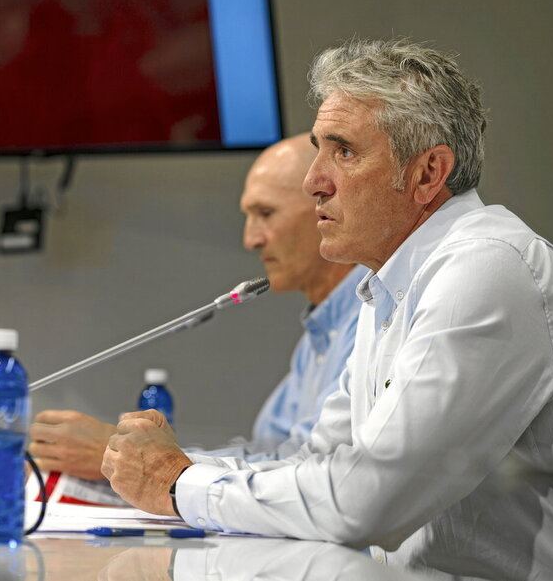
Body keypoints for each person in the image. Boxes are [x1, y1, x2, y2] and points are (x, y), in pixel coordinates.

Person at [100, 39, 553, 581]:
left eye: (344, 151)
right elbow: (317, 466)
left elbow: (366, 502)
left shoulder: (487, 267)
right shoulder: (388, 286)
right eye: (319, 149)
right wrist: (178, 470)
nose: (313, 182)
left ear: (428, 173)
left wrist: (178, 484)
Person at [29, 134, 365, 480]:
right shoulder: (321, 331)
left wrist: (135, 460)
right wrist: (141, 459)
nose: (251, 240)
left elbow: (310, 476)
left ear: (326, 208)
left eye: (266, 214)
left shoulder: (367, 320)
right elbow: (272, 454)